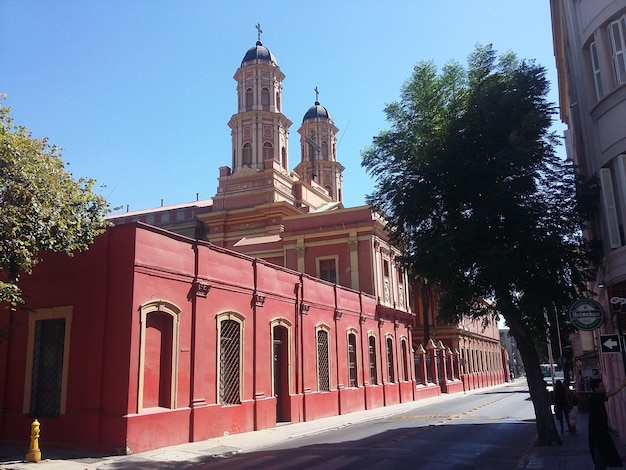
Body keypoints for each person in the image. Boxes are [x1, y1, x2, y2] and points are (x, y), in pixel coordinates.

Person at [588, 377, 626, 469]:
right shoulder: (596, 397)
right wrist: (623, 385)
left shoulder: (595, 397)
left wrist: (609, 427)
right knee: (600, 451)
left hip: (599, 429)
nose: (604, 388)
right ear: (596, 388)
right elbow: (610, 394)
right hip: (598, 432)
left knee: (602, 451)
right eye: (601, 386)